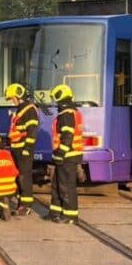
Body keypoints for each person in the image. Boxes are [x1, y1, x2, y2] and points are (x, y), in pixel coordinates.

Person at [48, 83, 83, 224]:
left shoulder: (66, 114)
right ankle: (55, 213)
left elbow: (68, 136)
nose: (55, 101)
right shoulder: (71, 112)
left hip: (68, 156)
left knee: (66, 186)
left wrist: (60, 154)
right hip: (68, 155)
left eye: (56, 97)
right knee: (57, 185)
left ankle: (70, 216)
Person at [5, 83, 40, 215]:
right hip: (16, 149)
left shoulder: (29, 110)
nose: (12, 101)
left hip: (24, 150)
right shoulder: (20, 110)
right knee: (19, 177)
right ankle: (21, 203)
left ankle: (26, 206)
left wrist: (27, 149)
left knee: (25, 177)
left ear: (19, 96)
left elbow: (32, 132)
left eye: (13, 98)